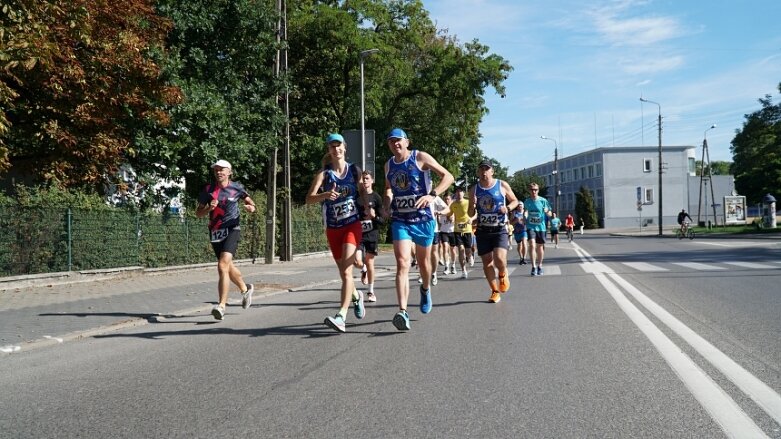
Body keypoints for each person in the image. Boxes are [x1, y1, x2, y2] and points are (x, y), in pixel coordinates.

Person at [382, 128, 454, 331]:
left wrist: (432, 195)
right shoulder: (388, 165)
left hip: (423, 219)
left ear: (407, 142)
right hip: (401, 220)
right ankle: (402, 311)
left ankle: (425, 287)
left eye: (398, 140)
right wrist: (387, 204)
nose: (395, 144)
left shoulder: (420, 157)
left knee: (424, 263)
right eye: (391, 141)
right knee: (402, 262)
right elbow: (388, 188)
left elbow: (448, 176)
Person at [305, 133, 366, 333]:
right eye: (332, 147)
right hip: (333, 228)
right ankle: (357, 297)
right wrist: (324, 194)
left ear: (344, 148)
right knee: (343, 273)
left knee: (347, 272)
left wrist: (368, 208)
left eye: (338, 146)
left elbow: (363, 194)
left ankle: (341, 316)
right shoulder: (323, 174)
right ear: (329, 150)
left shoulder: (354, 170)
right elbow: (309, 199)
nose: (336, 149)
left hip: (352, 225)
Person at [195, 159, 257, 321]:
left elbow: (250, 202)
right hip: (215, 231)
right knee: (227, 267)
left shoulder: (236, 188)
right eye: (216, 170)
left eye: (222, 169)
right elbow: (198, 213)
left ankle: (221, 306)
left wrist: (251, 208)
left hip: (232, 229)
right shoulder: (208, 190)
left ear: (229, 172)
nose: (218, 172)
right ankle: (245, 289)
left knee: (222, 265)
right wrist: (209, 208)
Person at [468, 159, 519, 303]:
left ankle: (502, 273)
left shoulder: (501, 185)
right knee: (487, 263)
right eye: (481, 169)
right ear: (478, 172)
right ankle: (495, 291)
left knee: (499, 258)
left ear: (492, 171)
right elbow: (470, 214)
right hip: (483, 230)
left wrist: (507, 208)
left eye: (487, 169)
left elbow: (515, 200)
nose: (484, 172)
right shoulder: (473, 190)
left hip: (499, 228)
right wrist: (472, 204)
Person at [358, 170, 384, 303]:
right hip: (358, 234)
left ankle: (371, 291)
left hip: (372, 234)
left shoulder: (377, 198)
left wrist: (374, 216)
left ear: (372, 181)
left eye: (367, 178)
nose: (365, 181)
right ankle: (363, 269)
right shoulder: (357, 197)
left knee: (370, 263)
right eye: (363, 179)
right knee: (357, 261)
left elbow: (382, 220)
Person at [524, 182, 551, 276]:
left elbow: (550, 213)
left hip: (541, 227)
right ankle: (533, 267)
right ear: (529, 191)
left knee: (540, 247)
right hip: (531, 226)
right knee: (531, 244)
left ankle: (540, 266)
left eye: (535, 190)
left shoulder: (543, 201)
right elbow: (526, 211)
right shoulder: (527, 202)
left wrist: (547, 211)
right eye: (532, 190)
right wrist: (525, 215)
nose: (534, 191)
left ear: (538, 190)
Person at [449, 186, 476, 278]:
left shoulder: (468, 202)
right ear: (455, 194)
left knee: (468, 250)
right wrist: (450, 217)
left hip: (467, 230)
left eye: (460, 192)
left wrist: (472, 219)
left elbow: (477, 213)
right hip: (457, 230)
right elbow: (449, 214)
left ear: (463, 193)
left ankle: (470, 256)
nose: (459, 193)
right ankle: (464, 270)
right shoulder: (453, 205)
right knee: (461, 249)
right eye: (457, 192)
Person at [437, 193, 457, 275]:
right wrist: (439, 217)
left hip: (452, 231)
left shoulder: (454, 207)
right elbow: (439, 221)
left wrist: (452, 217)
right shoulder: (442, 208)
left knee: (452, 249)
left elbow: (454, 219)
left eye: (448, 199)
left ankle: (453, 265)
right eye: (445, 199)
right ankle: (447, 266)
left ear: (451, 200)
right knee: (445, 247)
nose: (446, 201)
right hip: (443, 231)